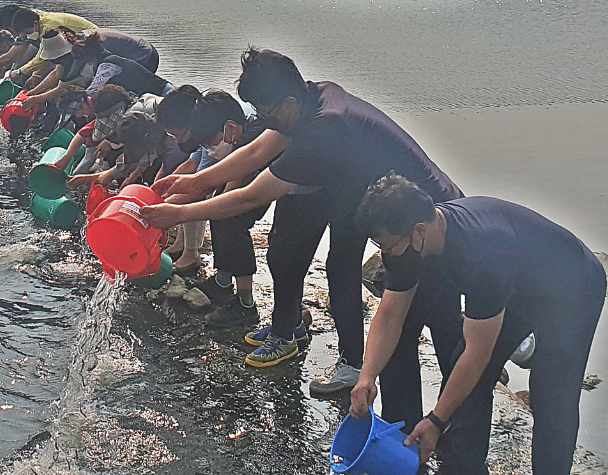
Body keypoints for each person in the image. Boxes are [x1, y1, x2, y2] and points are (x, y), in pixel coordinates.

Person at [140, 47, 463, 401]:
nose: (264, 121)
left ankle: (452, 411)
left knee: (434, 315)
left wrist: (180, 213)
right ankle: (361, 368)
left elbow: (253, 195)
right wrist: (193, 183)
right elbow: (253, 152)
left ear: (288, 102)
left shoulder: (324, 128)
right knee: (342, 270)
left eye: (267, 113)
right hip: (364, 197)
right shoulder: (316, 98)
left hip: (429, 217)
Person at [350, 173, 605, 475]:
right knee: (464, 368)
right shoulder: (412, 242)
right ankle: (464, 468)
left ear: (419, 231)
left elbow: (478, 353)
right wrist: (366, 376)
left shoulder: (478, 254)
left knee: (551, 396)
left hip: (571, 287)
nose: (387, 253)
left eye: (389, 247)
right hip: (516, 286)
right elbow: (391, 311)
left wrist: (435, 420)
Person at [185, 91, 272, 330]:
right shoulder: (238, 137)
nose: (210, 150)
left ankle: (246, 304)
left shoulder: (252, 139)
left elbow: (237, 187)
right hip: (259, 183)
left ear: (230, 128)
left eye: (211, 143)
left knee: (231, 219)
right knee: (219, 210)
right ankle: (223, 282)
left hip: (282, 188)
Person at [21, 31, 171, 110]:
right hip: (150, 92)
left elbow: (91, 91)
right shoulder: (81, 51)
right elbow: (58, 76)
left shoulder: (106, 66)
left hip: (163, 91)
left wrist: (41, 99)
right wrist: (31, 94)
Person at [154, 85, 209, 276]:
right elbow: (189, 166)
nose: (177, 142)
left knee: (194, 197)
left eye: (178, 135)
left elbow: (199, 187)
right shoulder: (201, 133)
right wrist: (161, 189)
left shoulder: (215, 137)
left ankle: (191, 254)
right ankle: (181, 245)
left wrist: (161, 208)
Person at [9, 8, 98, 87]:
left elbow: (41, 57)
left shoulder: (48, 27)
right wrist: (37, 75)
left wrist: (21, 71)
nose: (27, 36)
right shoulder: (42, 22)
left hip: (91, 39)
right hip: (78, 41)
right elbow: (44, 53)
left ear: (35, 24)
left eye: (26, 32)